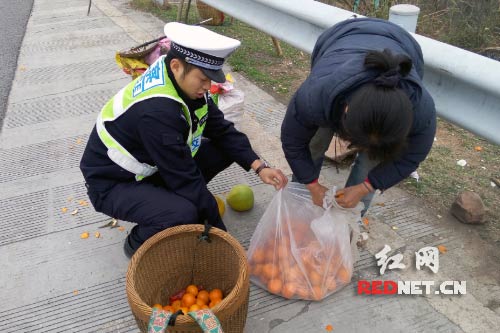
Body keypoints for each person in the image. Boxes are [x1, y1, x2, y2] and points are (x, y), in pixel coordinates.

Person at [80, 22, 288, 257]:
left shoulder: (179, 77)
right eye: (203, 79)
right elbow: (187, 181)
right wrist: (223, 239)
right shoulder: (158, 112)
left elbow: (221, 129)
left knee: (224, 150)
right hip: (112, 183)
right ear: (178, 66)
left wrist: (259, 166)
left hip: (151, 165)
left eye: (211, 79)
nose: (208, 86)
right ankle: (136, 245)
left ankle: (163, 201)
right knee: (183, 213)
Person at [281, 17, 436, 216]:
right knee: (315, 142)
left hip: (404, 45)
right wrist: (311, 184)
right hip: (340, 38)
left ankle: (349, 220)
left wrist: (366, 187)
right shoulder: (315, 97)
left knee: (372, 160)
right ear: (345, 111)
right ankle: (299, 205)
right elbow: (293, 141)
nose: (362, 149)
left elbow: (410, 157)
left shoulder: (420, 111)